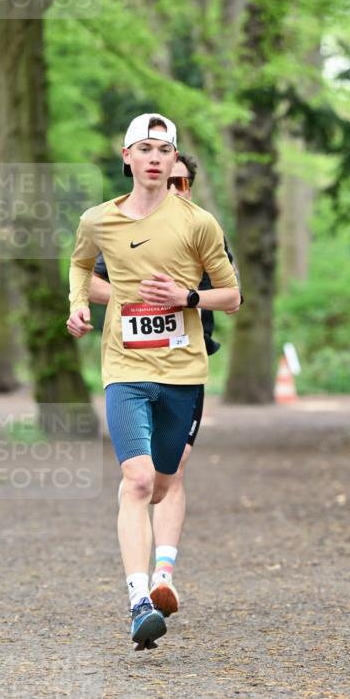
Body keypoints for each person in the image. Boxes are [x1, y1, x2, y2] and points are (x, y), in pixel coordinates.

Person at [66, 113, 240, 650]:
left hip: (183, 371)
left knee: (163, 484)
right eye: (145, 148)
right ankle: (139, 598)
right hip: (125, 367)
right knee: (137, 480)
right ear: (127, 157)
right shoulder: (99, 219)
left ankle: (162, 563)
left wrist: (186, 298)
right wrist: (79, 304)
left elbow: (232, 297)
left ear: (174, 160)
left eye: (164, 150)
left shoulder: (199, 223)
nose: (155, 158)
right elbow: (81, 265)